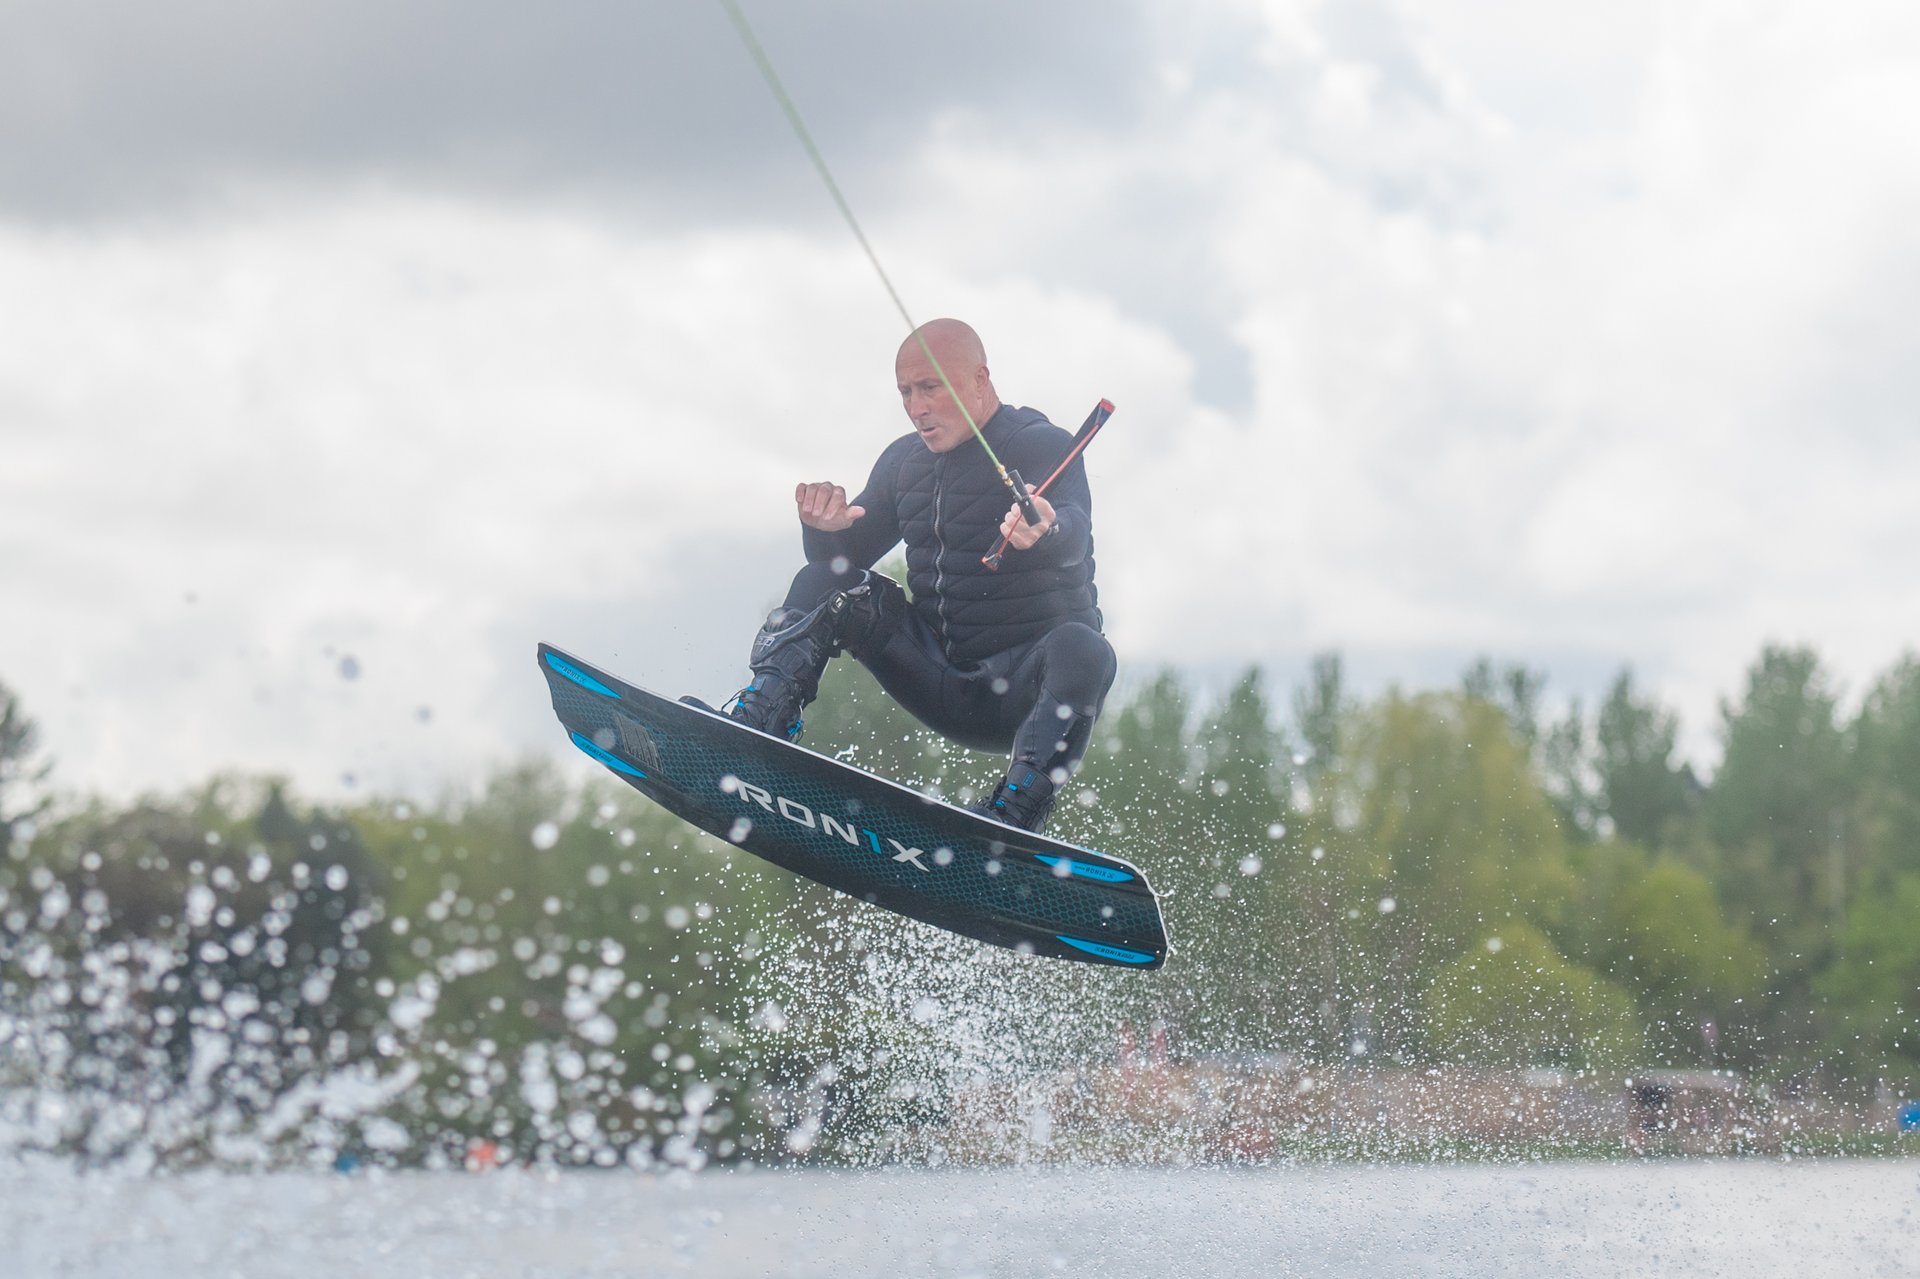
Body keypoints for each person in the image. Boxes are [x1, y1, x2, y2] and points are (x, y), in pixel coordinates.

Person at [720, 318, 1115, 833]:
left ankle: (1016, 813)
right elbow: (839, 563)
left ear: (979, 379)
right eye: (905, 392)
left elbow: (1074, 529)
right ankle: (760, 722)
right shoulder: (904, 463)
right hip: (937, 677)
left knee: (1086, 648)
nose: (916, 407)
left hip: (1026, 692)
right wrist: (824, 529)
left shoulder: (1039, 443)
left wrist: (1047, 529)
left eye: (930, 388)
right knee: (828, 580)